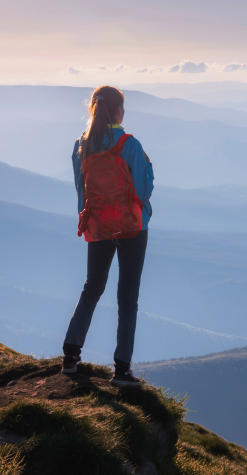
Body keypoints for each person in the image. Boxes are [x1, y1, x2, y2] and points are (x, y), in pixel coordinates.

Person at [61, 86, 154, 387]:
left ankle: (70, 355)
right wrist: (148, 168)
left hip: (98, 227)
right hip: (132, 227)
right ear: (118, 111)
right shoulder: (130, 144)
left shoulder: (81, 145)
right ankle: (122, 369)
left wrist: (88, 223)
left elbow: (81, 188)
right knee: (128, 296)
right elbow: (142, 191)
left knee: (92, 287)